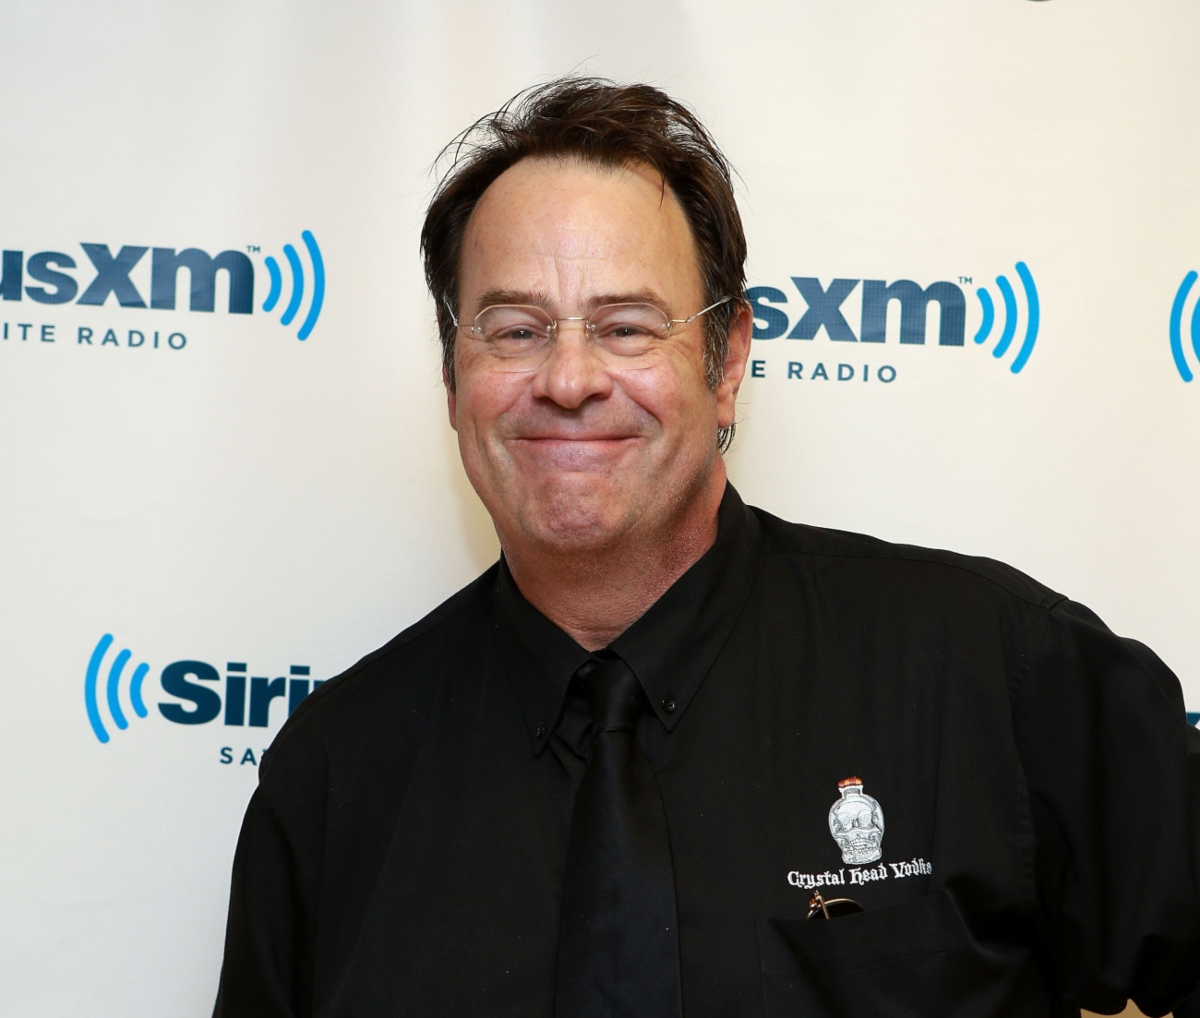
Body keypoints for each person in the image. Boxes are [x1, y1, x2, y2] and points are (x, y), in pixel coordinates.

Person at [212, 78, 1200, 1018]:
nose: (568, 379)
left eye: (628, 327)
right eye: (513, 330)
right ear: (452, 375)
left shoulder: (988, 676)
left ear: (726, 363)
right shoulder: (335, 778)